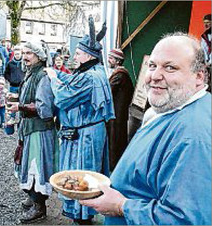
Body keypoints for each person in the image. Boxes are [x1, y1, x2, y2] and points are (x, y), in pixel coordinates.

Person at [79, 32, 211, 225]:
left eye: (170, 67)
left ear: (199, 77)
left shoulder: (193, 137)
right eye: (152, 65)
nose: (155, 76)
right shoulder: (175, 108)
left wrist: (120, 206)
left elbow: (186, 220)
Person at [45, 16, 115, 225]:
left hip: (85, 135)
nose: (74, 56)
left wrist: (53, 78)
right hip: (89, 131)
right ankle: (82, 214)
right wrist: (58, 73)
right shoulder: (95, 70)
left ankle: (82, 217)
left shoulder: (91, 76)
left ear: (87, 55)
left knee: (82, 175)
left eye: (77, 53)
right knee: (86, 173)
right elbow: (73, 80)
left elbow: (65, 97)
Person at [7, 42, 56, 224]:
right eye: (24, 52)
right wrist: (17, 99)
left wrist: (20, 106)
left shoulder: (42, 76)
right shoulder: (30, 73)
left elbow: (45, 109)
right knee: (25, 164)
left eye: (29, 53)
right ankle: (32, 197)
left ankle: (40, 207)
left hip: (39, 130)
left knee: (37, 167)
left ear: (39, 56)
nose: (25, 56)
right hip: (28, 127)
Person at [106, 48, 134, 171]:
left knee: (115, 142)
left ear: (117, 61)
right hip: (119, 115)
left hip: (116, 116)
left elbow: (107, 93)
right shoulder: (121, 75)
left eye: (111, 58)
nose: (108, 60)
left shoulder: (119, 76)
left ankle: (114, 167)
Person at [4, 46, 25, 123]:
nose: (17, 55)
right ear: (14, 54)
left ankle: (21, 117)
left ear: (21, 54)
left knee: (22, 101)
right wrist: (10, 79)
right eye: (16, 54)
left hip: (22, 86)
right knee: (12, 102)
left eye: (18, 54)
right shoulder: (10, 63)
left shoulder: (24, 63)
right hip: (13, 86)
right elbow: (6, 73)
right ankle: (12, 117)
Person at [201, 14, 211, 92]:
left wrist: (210, 62)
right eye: (205, 22)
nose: (206, 24)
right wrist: (205, 61)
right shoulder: (204, 36)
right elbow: (204, 50)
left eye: (208, 22)